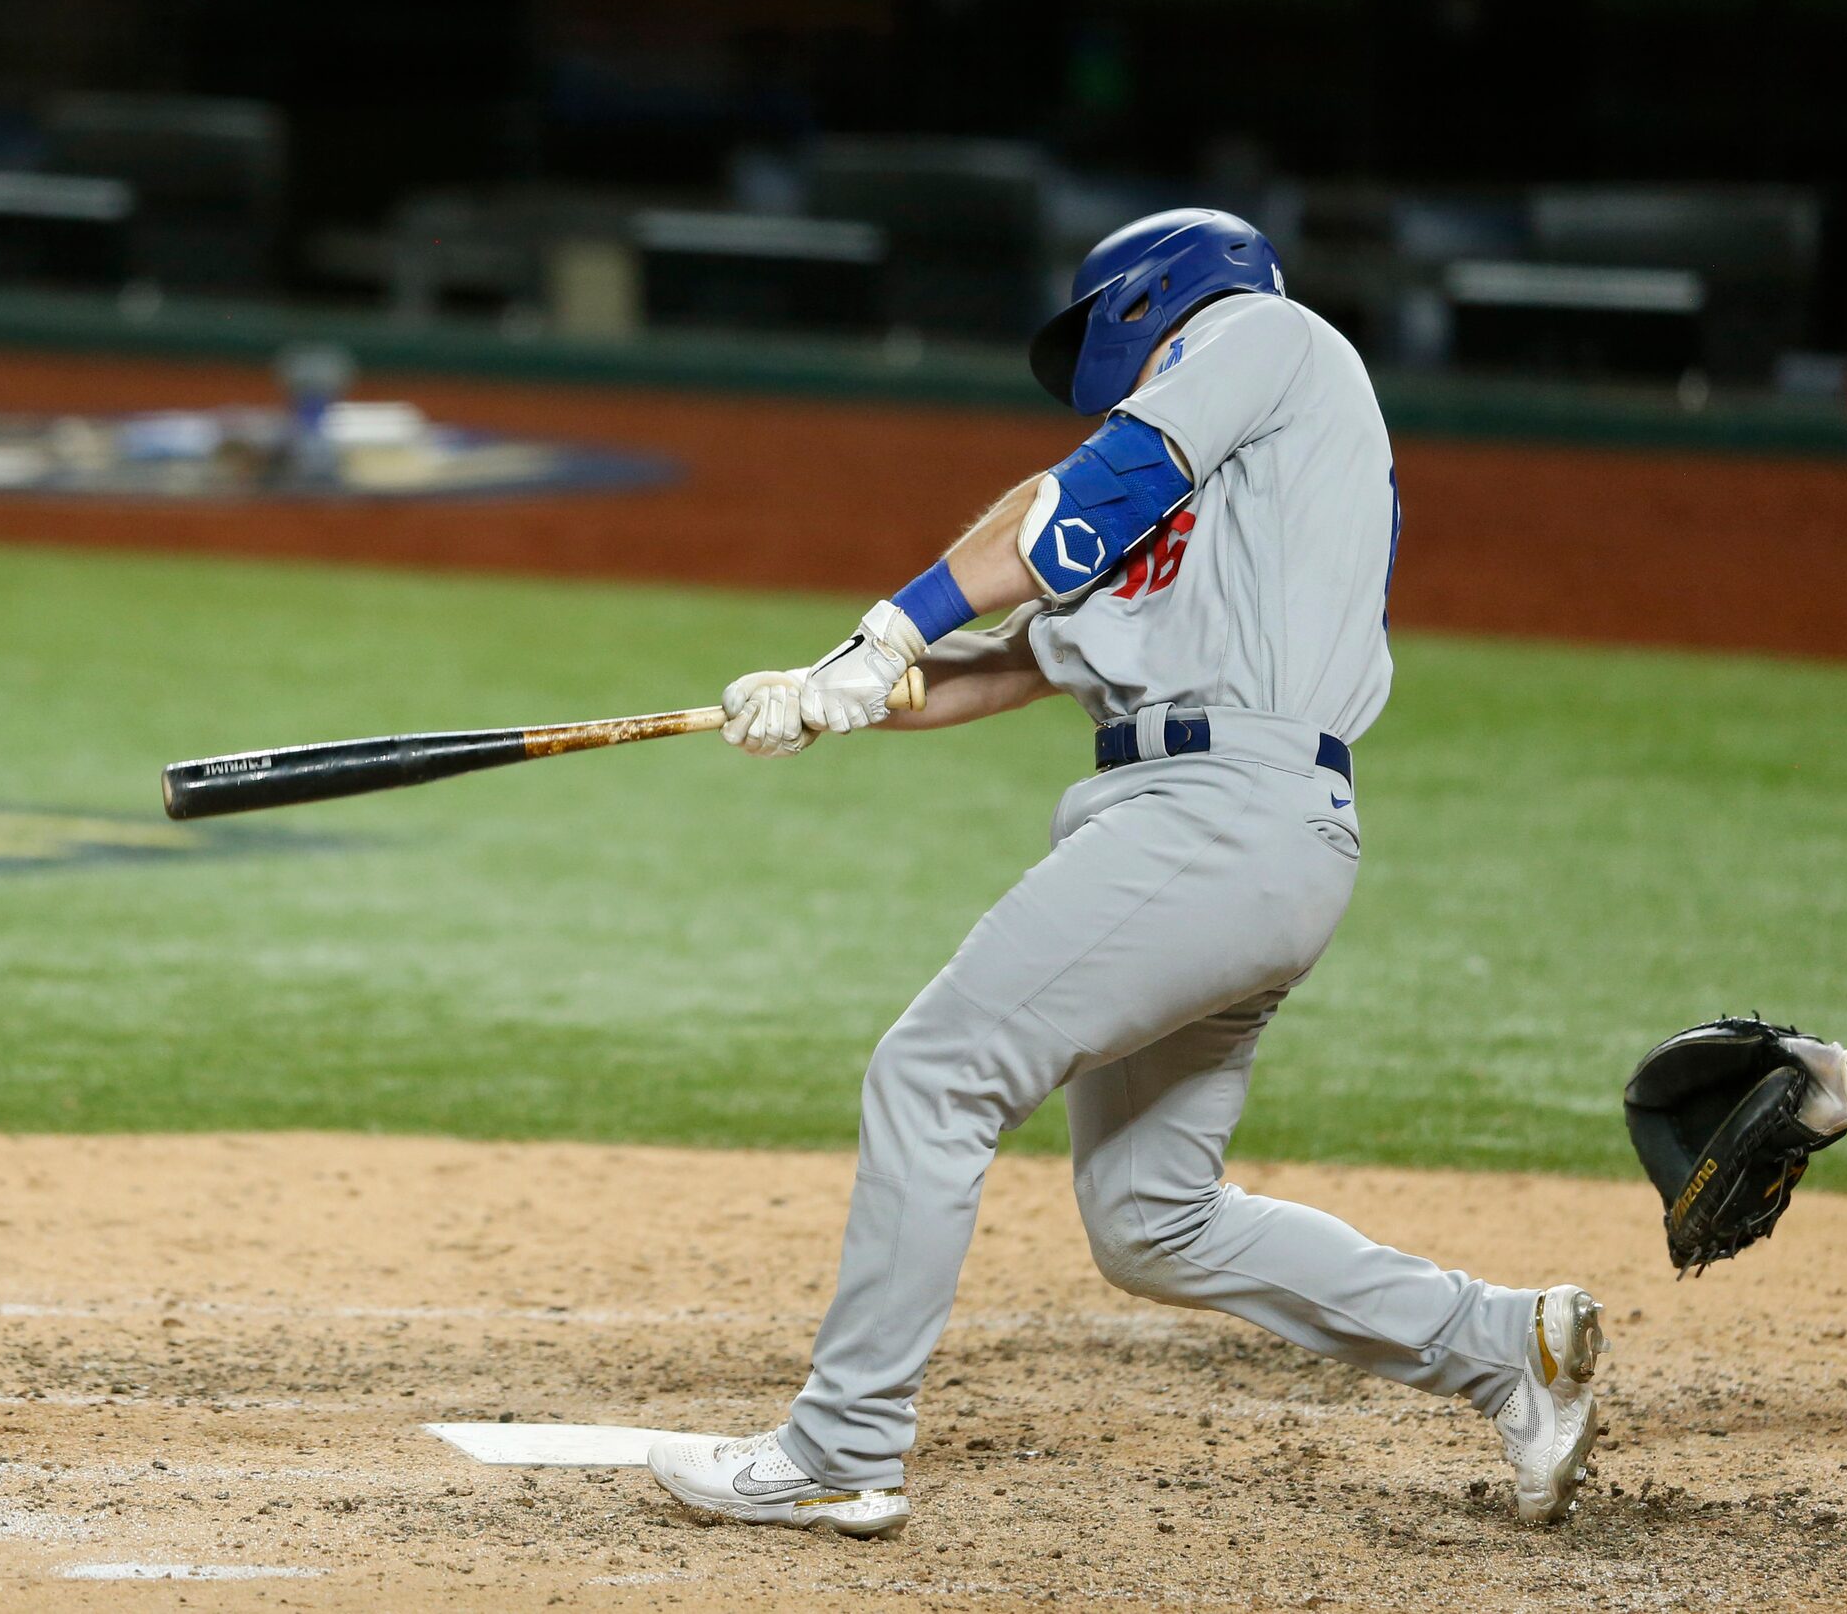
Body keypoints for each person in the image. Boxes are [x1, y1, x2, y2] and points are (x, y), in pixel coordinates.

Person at [647, 208, 1605, 1535]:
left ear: (1146, 307)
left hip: (1220, 817)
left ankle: (840, 1445)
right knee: (1150, 1215)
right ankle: (1505, 1342)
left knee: (933, 1073)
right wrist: (829, 692)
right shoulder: (1209, 507)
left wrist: (888, 621)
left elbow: (1064, 504)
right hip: (1217, 837)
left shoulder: (1268, 340)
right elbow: (1008, 663)